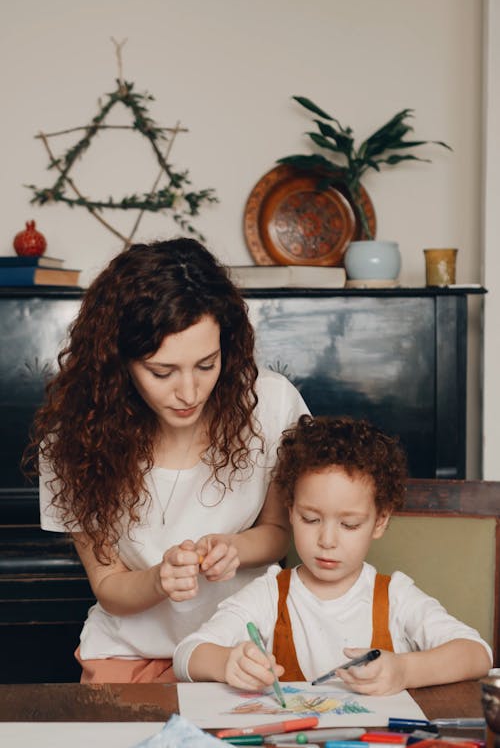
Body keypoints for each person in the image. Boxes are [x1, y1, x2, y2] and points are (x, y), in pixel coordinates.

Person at [28, 238, 309, 683]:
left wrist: (234, 548)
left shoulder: (271, 404)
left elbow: (278, 534)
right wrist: (160, 579)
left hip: (243, 651)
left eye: (206, 364)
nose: (189, 393)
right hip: (126, 656)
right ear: (117, 363)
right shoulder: (73, 441)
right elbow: (109, 587)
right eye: (162, 372)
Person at [173, 415, 492, 695]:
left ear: (379, 521)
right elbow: (187, 654)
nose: (327, 540)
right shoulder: (271, 594)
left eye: (349, 524)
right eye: (310, 519)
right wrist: (228, 662)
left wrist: (406, 670)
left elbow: (477, 653)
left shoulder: (394, 596)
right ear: (291, 511)